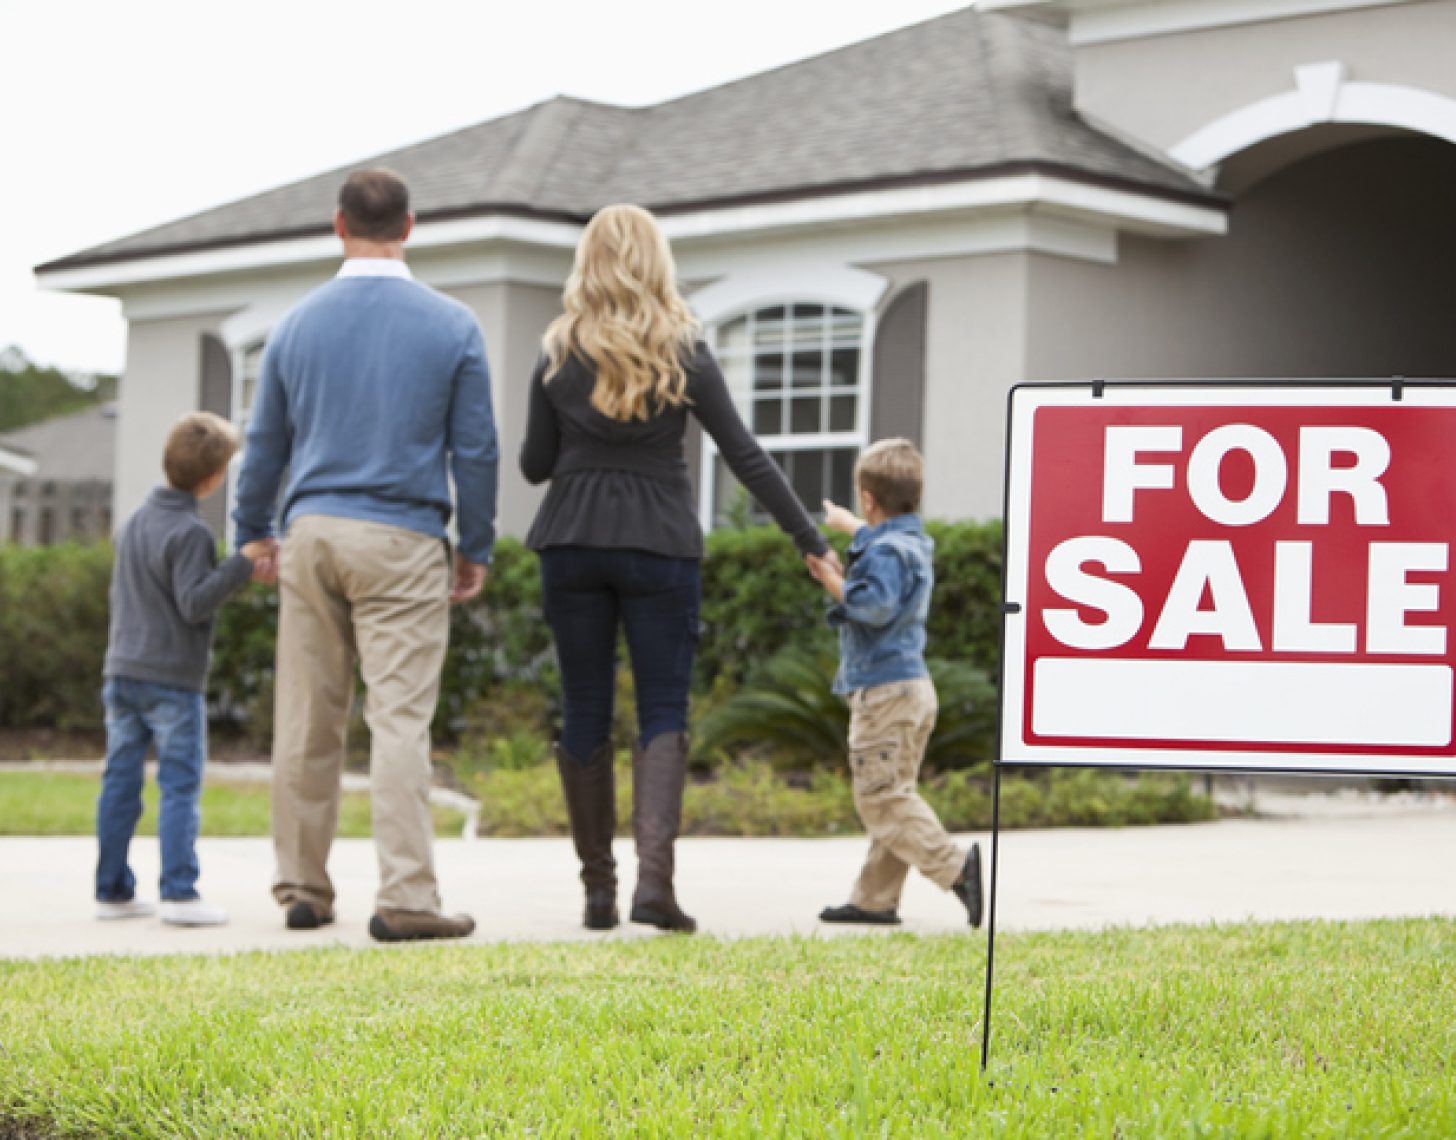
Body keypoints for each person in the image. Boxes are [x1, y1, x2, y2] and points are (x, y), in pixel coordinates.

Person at [520, 203, 835, 935]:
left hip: (570, 539)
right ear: (657, 262)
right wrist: (810, 541)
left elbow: (535, 466)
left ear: (587, 263)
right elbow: (744, 454)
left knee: (584, 708)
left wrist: (581, 444)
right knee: (664, 709)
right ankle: (652, 887)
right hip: (660, 542)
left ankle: (598, 892)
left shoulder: (557, 352)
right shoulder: (683, 350)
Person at [234, 168, 499, 943]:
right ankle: (407, 895)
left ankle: (304, 891)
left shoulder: (295, 325)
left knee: (308, 720)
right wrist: (473, 544)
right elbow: (476, 449)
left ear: (337, 224)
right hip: (403, 537)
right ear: (409, 226)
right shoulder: (452, 325)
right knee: (399, 722)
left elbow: (262, 447)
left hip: (312, 532)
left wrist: (252, 529)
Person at [97, 411, 275, 926]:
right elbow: (194, 603)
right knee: (178, 784)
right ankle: (179, 891)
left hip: (121, 671)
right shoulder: (189, 533)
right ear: (214, 477)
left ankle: (112, 890)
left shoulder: (133, 522)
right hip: (170, 679)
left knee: (120, 783)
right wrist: (241, 563)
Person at [804, 438, 983, 928]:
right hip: (910, 689)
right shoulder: (912, 542)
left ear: (868, 496)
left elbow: (872, 607)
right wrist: (854, 529)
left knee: (881, 797)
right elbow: (883, 554)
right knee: (895, 789)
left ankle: (956, 869)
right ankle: (874, 899)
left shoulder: (885, 551)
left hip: (885, 691)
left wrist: (830, 578)